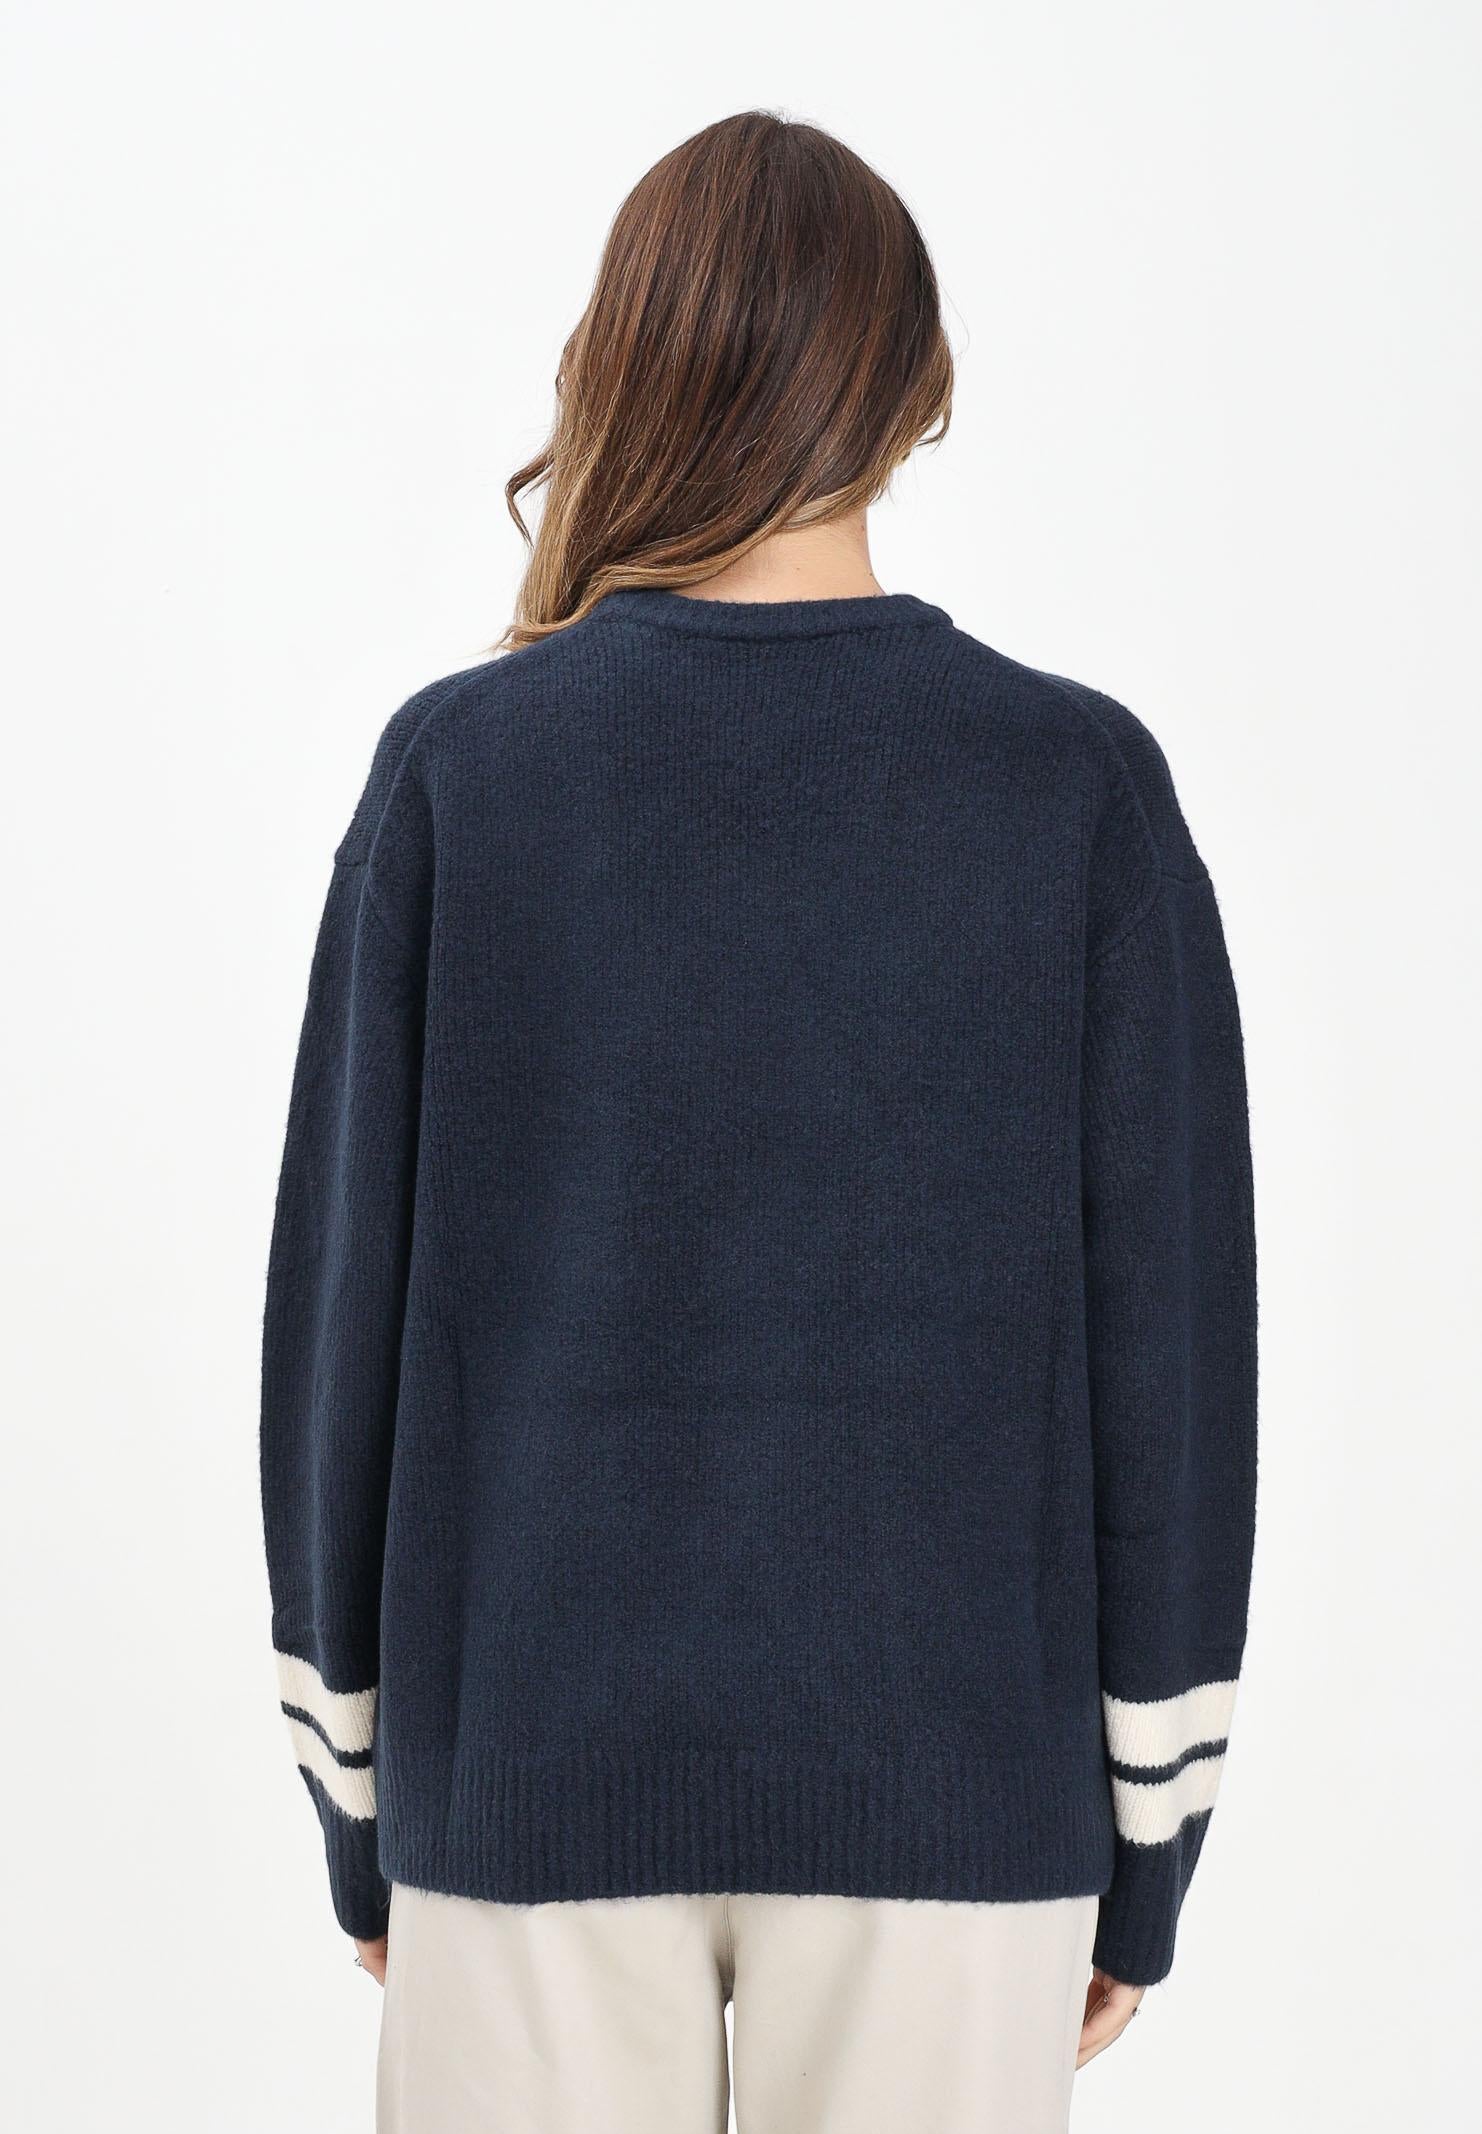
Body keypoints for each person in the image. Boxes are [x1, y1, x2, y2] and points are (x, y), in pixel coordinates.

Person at [261, 109, 1257, 2134]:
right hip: (953, 1799)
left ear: (620, 361)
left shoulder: (462, 773)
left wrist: (364, 1801)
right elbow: (1172, 1366)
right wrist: (1146, 1836)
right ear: (919, 392)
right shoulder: (1072, 789)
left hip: (522, 1781)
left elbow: (335, 1336)